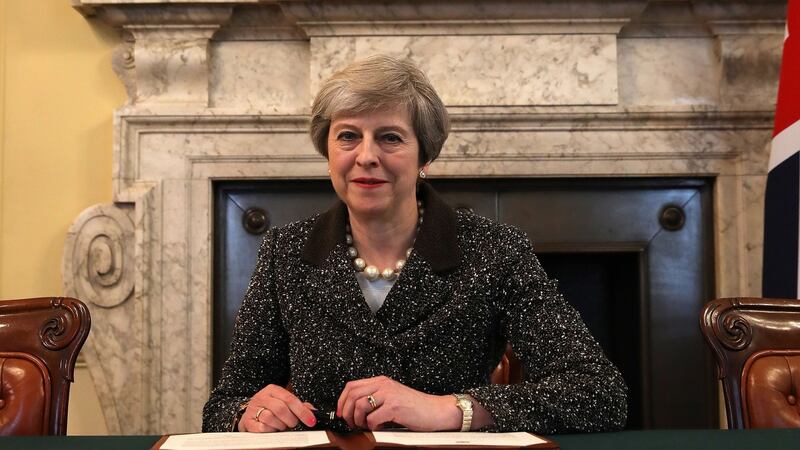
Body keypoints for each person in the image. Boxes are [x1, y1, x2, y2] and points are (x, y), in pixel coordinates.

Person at [202, 55, 627, 434]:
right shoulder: (285, 253)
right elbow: (224, 404)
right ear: (327, 151)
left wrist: (450, 409)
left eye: (390, 137)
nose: (366, 156)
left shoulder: (495, 251)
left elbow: (599, 392)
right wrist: (248, 413)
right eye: (348, 136)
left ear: (425, 156)